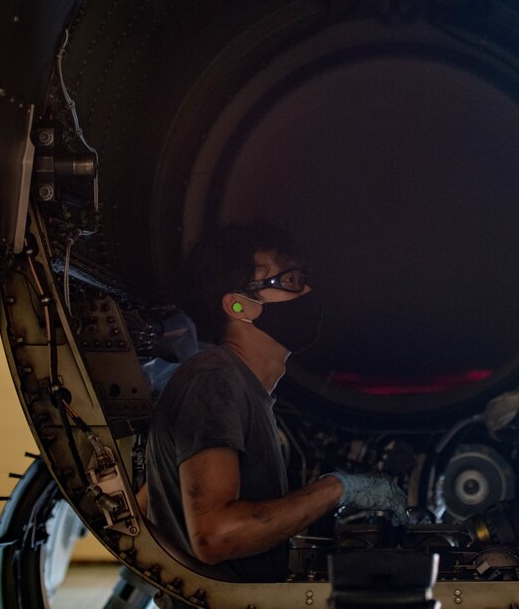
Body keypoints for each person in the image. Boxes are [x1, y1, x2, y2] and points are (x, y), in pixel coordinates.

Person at [140, 222, 406, 586]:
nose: (308, 292)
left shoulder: (242, 388)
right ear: (239, 305)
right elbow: (216, 536)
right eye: (291, 281)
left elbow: (152, 502)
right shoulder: (213, 379)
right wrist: (338, 488)